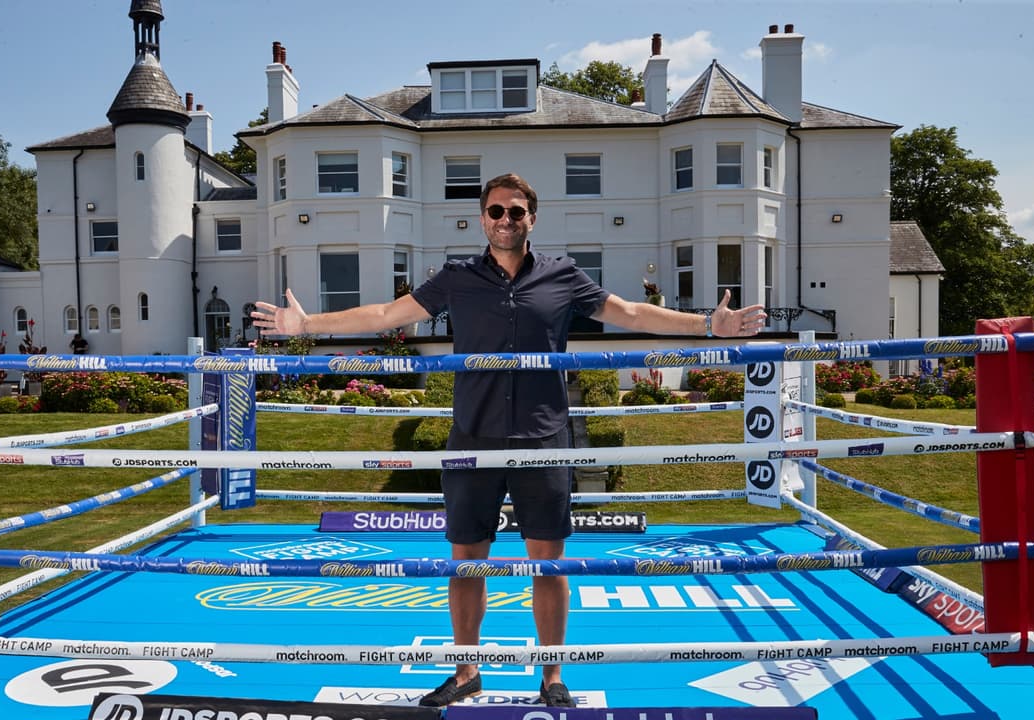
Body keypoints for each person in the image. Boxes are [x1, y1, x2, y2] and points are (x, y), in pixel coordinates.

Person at [251, 173, 766, 707]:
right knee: (467, 558)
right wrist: (307, 323)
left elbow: (631, 313)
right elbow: (386, 314)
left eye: (516, 211)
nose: (505, 220)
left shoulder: (563, 275)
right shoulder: (456, 277)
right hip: (472, 437)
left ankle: (552, 676)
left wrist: (709, 325)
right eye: (496, 211)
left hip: (543, 438)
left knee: (549, 561)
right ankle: (467, 671)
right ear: (483, 218)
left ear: (531, 219)